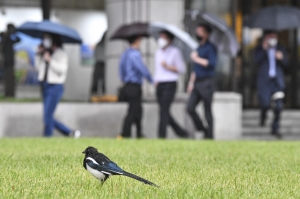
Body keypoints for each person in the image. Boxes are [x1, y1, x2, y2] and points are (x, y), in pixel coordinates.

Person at [35, 33, 81, 138]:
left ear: (53, 40)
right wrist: (38, 54)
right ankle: (70, 133)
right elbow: (38, 69)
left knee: (47, 116)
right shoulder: (46, 53)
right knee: (47, 116)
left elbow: (61, 70)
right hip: (45, 85)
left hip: (55, 86)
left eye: (47, 38)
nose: (45, 40)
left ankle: (48, 137)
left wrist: (50, 60)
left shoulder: (61, 54)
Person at [154, 30, 189, 139]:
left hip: (170, 83)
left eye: (164, 37)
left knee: (164, 110)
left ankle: (161, 135)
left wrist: (168, 66)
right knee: (163, 111)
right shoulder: (158, 53)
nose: (161, 40)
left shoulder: (175, 52)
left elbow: (181, 69)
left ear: (169, 39)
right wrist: (156, 80)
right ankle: (181, 132)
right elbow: (157, 70)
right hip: (160, 84)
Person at [118, 35, 153, 139]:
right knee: (133, 111)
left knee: (137, 110)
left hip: (127, 85)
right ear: (136, 41)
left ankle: (139, 133)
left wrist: (124, 79)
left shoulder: (125, 54)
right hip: (134, 86)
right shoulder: (135, 54)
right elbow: (141, 68)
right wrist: (151, 79)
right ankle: (125, 133)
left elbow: (121, 71)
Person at [254, 30, 288, 138]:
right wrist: (264, 49)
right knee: (265, 104)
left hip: (277, 82)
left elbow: (287, 65)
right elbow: (255, 61)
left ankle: (275, 128)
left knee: (278, 106)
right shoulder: (260, 49)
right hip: (265, 82)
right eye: (270, 36)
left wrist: (281, 58)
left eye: (274, 36)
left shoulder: (281, 49)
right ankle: (263, 116)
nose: (272, 39)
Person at [186, 23, 217, 139]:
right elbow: (195, 69)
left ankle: (210, 136)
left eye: (200, 31)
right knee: (190, 108)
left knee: (207, 110)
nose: (197, 33)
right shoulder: (198, 48)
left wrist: (196, 58)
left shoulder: (211, 48)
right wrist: (190, 83)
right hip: (197, 82)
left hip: (207, 82)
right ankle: (203, 130)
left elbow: (211, 64)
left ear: (206, 34)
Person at [2, 24, 20, 97]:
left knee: (10, 78)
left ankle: (10, 93)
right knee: (8, 78)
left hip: (9, 61)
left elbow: (18, 40)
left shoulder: (8, 37)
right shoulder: (5, 37)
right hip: (7, 61)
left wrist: (14, 34)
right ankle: (8, 94)